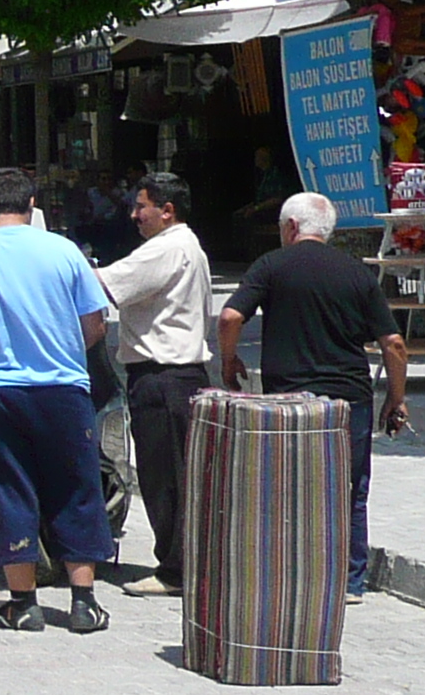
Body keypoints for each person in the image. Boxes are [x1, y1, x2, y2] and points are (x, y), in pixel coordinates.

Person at [0, 166, 113, 633]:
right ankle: (83, 603)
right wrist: (66, 349)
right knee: (76, 487)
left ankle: (22, 602)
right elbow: (95, 323)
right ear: (32, 205)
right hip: (62, 389)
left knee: (9, 489)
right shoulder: (63, 250)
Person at [220, 190, 407, 601]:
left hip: (290, 402)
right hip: (349, 400)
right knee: (350, 490)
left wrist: (229, 362)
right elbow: (393, 343)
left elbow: (231, 315)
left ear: (290, 227)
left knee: (286, 489)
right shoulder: (356, 272)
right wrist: (396, 397)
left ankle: (294, 575)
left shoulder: (271, 266)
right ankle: (350, 582)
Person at [98, 172, 213, 598]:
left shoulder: (167, 248)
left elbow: (105, 285)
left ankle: (176, 570)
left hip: (164, 377)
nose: (134, 215)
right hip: (175, 377)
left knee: (166, 479)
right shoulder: (184, 246)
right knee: (174, 476)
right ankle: (181, 563)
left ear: (167, 210)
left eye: (141, 206)